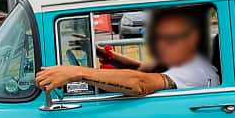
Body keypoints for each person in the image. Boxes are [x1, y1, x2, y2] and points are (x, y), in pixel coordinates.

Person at [34, 7, 218, 96]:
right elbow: (142, 68)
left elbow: (141, 83)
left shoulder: (193, 71)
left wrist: (78, 73)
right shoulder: (188, 63)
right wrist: (107, 56)